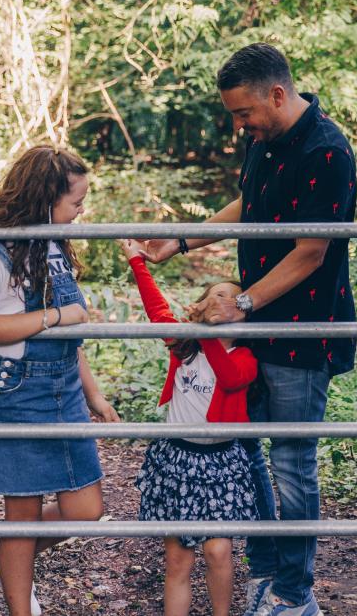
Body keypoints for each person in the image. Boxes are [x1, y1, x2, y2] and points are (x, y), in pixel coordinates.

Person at [140, 43, 356, 616]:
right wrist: (180, 240)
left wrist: (242, 303)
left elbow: (311, 251)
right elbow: (249, 203)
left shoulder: (327, 152)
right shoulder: (264, 141)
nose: (240, 126)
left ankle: (294, 594)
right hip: (253, 329)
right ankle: (266, 570)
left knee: (292, 464)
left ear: (277, 95)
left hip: (302, 332)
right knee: (247, 451)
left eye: (243, 113)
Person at [0, 145, 121, 616]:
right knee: (23, 515)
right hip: (19, 389)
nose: (81, 210)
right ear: (45, 199)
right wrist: (54, 316)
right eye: (76, 202)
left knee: (85, 510)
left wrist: (93, 394)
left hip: (65, 386)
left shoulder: (53, 244)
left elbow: (71, 336)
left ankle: (5, 551)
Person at [120, 239, 259, 616]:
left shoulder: (245, 359)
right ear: (202, 305)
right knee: (178, 560)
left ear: (245, 315)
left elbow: (229, 378)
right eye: (216, 294)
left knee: (218, 551)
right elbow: (157, 310)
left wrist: (207, 333)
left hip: (220, 464)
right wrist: (137, 262)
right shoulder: (185, 345)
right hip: (177, 460)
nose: (223, 300)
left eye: (232, 297)